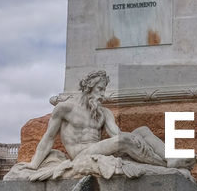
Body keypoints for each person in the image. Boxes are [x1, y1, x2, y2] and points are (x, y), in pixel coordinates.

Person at [27, 71, 185, 174]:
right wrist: (34, 164)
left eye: (104, 90)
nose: (103, 95)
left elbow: (116, 134)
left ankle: (170, 158)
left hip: (100, 149)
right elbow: (48, 138)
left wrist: (135, 138)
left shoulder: (104, 112)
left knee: (142, 131)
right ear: (89, 87)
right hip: (81, 154)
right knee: (125, 140)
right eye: (100, 89)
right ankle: (165, 166)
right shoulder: (65, 109)